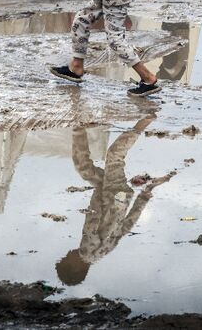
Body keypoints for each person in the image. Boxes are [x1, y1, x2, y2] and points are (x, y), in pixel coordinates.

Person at [55, 120, 172, 286]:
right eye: (66, 259)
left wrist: (142, 199)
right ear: (74, 267)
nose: (67, 254)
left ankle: (79, 127)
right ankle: (143, 123)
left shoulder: (102, 253)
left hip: (117, 198)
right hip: (111, 195)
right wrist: (105, 194)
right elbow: (95, 219)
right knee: (114, 156)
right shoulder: (86, 251)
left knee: (84, 169)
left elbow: (125, 228)